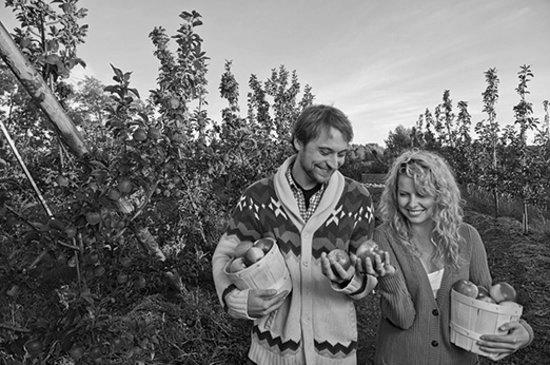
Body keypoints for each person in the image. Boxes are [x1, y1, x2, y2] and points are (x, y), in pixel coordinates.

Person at [212, 104, 379, 364]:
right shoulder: (258, 197)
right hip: (273, 351)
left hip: (334, 353)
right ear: (298, 141)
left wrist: (351, 280)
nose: (334, 164)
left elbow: (365, 271)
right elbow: (225, 254)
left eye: (342, 154)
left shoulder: (357, 198)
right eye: (325, 152)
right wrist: (236, 299)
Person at [369, 149, 534, 365]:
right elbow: (403, 318)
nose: (411, 203)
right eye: (404, 194)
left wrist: (524, 331)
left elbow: (486, 304)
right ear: (394, 194)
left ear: (439, 194)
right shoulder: (384, 237)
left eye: (422, 194)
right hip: (401, 357)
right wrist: (388, 279)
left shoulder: (467, 237)